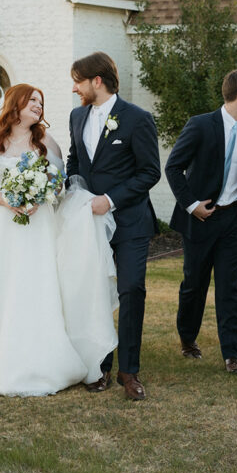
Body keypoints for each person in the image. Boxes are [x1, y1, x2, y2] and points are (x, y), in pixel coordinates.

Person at [0, 84, 117, 396]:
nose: (38, 106)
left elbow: (60, 184)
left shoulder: (45, 140)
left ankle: (36, 358)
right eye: (32, 100)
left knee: (34, 288)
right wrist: (6, 199)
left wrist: (42, 193)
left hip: (37, 227)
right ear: (15, 103)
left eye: (41, 102)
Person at [67, 52, 161, 400]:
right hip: (89, 223)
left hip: (130, 220)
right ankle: (99, 366)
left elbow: (150, 172)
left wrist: (112, 198)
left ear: (97, 80)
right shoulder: (77, 116)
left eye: (78, 80)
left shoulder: (138, 118)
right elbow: (75, 160)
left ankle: (129, 370)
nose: (74, 87)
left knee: (131, 289)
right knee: (96, 292)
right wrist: (66, 190)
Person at [166, 70, 237, 375]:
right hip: (201, 218)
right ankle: (187, 336)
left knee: (229, 286)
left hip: (234, 220)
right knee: (194, 284)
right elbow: (173, 167)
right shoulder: (200, 125)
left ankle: (232, 354)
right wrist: (192, 205)